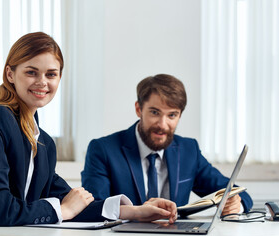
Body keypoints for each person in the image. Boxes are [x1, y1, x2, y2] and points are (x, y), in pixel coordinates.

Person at [0, 32, 177, 226]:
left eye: (51, 74)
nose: (42, 82)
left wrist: (136, 211)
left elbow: (70, 201)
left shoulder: (43, 142)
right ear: (10, 74)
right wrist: (63, 210)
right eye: (31, 72)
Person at [81, 74, 253, 216]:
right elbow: (94, 208)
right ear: (139, 109)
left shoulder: (188, 150)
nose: (162, 124)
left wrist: (236, 205)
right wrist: (136, 212)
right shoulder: (103, 149)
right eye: (155, 112)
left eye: (172, 115)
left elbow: (237, 192)